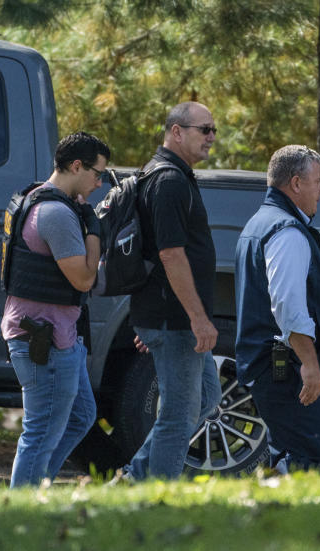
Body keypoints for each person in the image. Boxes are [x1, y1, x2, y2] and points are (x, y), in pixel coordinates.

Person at [121, 102, 222, 481]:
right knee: (179, 415)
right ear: (177, 132)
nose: (211, 137)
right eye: (204, 129)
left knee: (206, 399)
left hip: (172, 318)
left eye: (213, 130)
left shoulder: (175, 174)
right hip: (176, 320)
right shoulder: (169, 180)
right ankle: (159, 496)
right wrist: (197, 318)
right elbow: (170, 254)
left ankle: (136, 475)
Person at [1, 132, 108, 487]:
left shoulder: (34, 196)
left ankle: (37, 485)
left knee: (81, 416)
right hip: (43, 341)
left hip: (58, 335)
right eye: (97, 174)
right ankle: (21, 514)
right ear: (76, 166)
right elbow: (83, 279)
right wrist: (94, 232)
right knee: (40, 435)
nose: (99, 183)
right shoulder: (57, 213)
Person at [234, 145, 320, 472]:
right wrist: (310, 364)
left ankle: (273, 516)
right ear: (296, 183)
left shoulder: (260, 223)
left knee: (285, 453)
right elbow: (288, 305)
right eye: (318, 181)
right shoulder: (286, 231)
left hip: (275, 366)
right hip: (288, 366)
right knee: (307, 457)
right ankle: (297, 520)